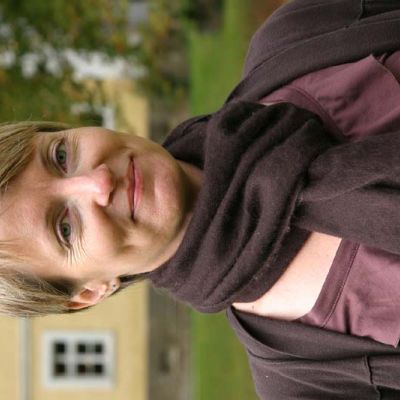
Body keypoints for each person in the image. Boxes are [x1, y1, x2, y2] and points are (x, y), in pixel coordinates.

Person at [2, 0, 400, 398]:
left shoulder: (297, 38)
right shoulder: (308, 384)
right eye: (65, 228)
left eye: (61, 156)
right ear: (89, 291)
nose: (98, 182)